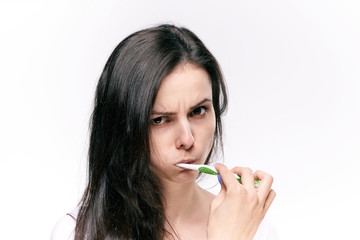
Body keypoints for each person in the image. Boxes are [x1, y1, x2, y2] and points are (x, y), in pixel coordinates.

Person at [51, 24, 276, 240]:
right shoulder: (77, 233)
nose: (187, 140)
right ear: (124, 129)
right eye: (160, 120)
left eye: (198, 111)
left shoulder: (248, 223)